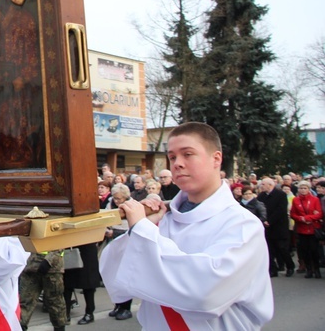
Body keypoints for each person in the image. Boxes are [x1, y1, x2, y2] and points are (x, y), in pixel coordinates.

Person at [100, 122, 273, 329]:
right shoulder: (162, 219)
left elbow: (205, 293)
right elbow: (116, 277)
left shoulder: (242, 224)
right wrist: (142, 228)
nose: (177, 164)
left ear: (216, 158)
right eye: (172, 157)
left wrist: (143, 231)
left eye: (188, 154)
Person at [102, 183, 132, 321]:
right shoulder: (109, 204)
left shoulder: (132, 206)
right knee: (112, 274)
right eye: (115, 198)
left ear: (125, 197)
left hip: (126, 242)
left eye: (119, 198)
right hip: (112, 241)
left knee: (123, 276)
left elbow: (133, 225)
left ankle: (126, 307)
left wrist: (115, 231)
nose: (116, 200)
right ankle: (118, 305)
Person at [19, 249, 67, 331]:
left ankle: (59, 327)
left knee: (55, 303)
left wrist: (49, 261)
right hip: (31, 266)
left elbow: (61, 241)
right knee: (25, 301)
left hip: (51, 269)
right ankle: (20, 326)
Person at [257, 177, 295, 277]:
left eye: (263, 184)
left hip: (279, 226)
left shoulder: (280, 195)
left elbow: (281, 210)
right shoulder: (261, 196)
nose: (261, 186)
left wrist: (270, 221)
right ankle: (273, 269)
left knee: (282, 249)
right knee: (269, 249)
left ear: (270, 185)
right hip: (267, 227)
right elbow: (259, 208)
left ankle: (290, 266)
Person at [290, 180, 322, 279]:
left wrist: (308, 218)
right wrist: (301, 219)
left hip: (313, 228)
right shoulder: (296, 200)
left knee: (314, 250)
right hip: (301, 228)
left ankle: (316, 270)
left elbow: (319, 214)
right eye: (301, 188)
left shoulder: (315, 199)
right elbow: (293, 214)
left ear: (308, 189)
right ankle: (309, 270)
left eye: (305, 188)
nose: (303, 190)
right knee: (305, 251)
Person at [63, 243, 100, 325]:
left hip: (87, 248)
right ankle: (65, 314)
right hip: (71, 246)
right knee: (67, 282)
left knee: (87, 281)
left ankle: (89, 313)